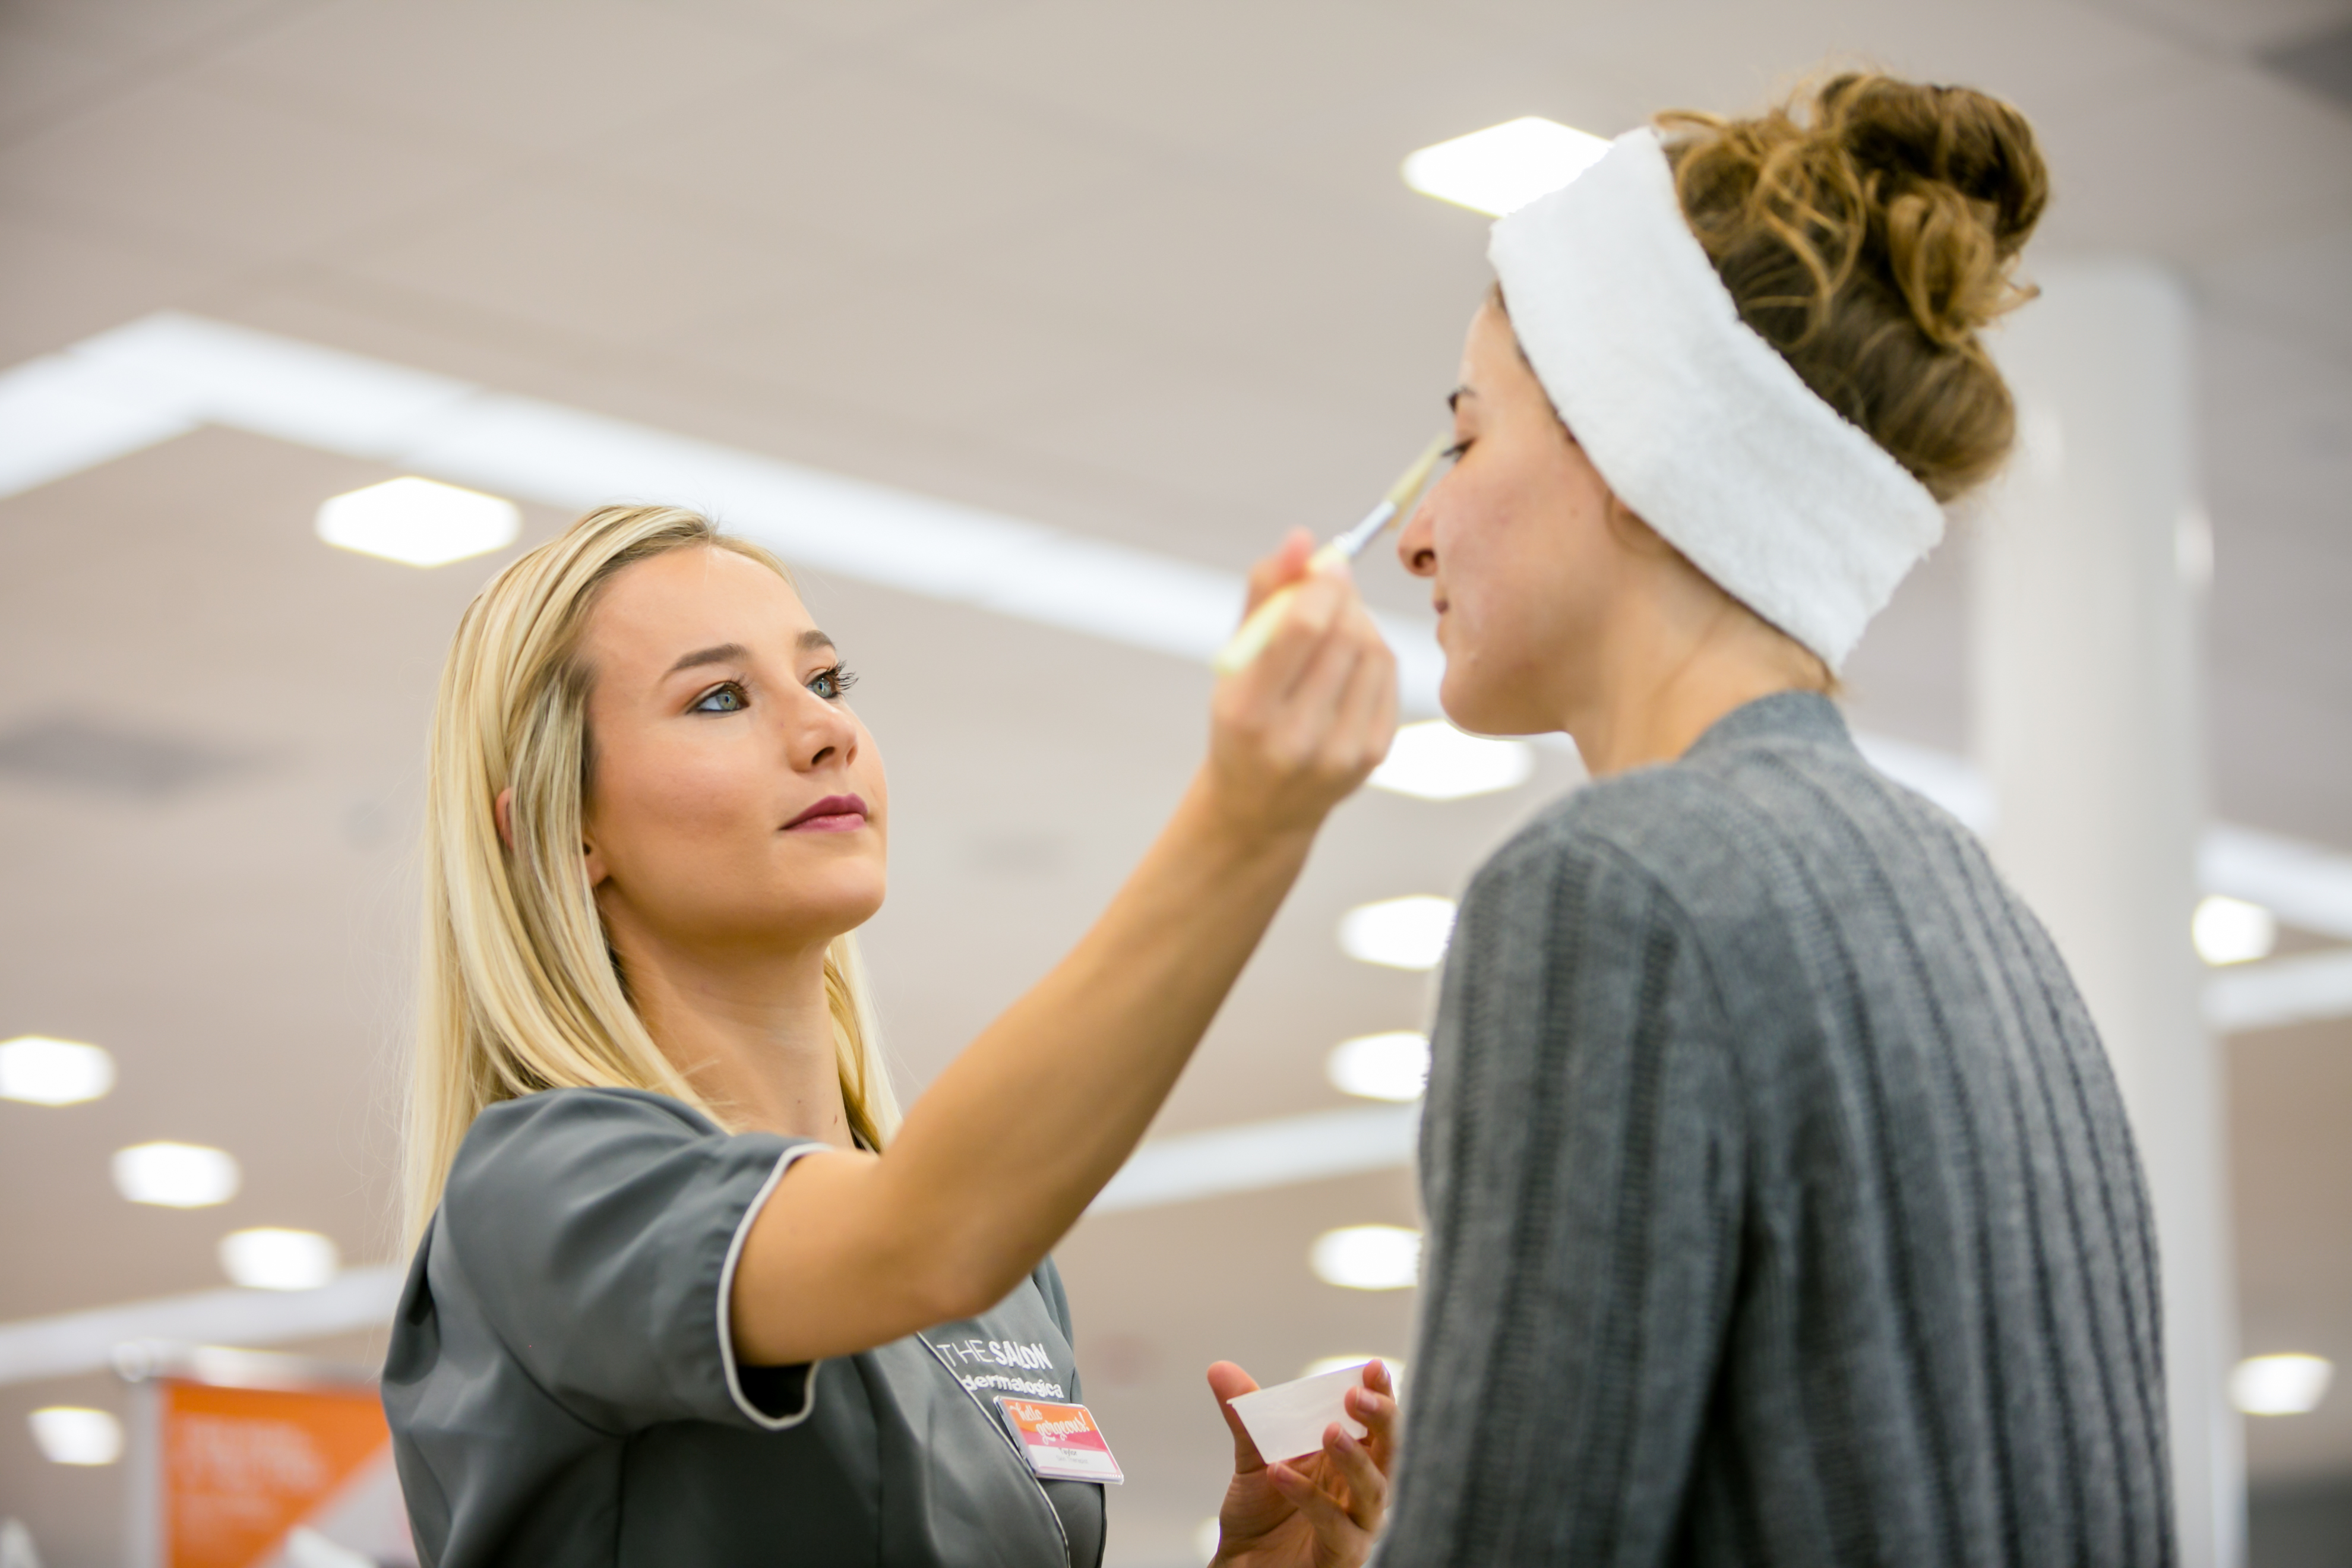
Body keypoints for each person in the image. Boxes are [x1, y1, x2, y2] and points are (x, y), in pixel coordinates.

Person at [1377, 74, 2173, 1564]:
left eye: (1468, 440)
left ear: (1635, 453)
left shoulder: (1615, 890)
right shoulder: (1990, 921)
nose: (1418, 526)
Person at [382, 504, 1402, 1566]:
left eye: (826, 682)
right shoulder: (546, 1194)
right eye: (719, 698)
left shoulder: (1005, 1278)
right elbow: (930, 1236)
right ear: (561, 823)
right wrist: (1245, 820)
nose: (829, 732)